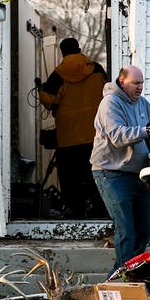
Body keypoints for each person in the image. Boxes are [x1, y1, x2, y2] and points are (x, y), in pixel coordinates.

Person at [90, 65, 150, 270]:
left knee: (144, 228)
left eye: (142, 83)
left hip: (140, 174)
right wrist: (148, 130)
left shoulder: (143, 104)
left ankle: (125, 274)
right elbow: (118, 136)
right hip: (111, 173)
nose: (140, 87)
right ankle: (123, 279)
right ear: (122, 81)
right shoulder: (110, 103)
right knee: (126, 229)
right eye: (136, 83)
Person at [39, 38, 108, 218]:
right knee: (95, 172)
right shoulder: (97, 69)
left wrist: (41, 89)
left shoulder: (59, 74)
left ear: (63, 52)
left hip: (68, 135)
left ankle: (75, 209)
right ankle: (98, 209)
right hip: (95, 133)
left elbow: (48, 99)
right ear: (79, 49)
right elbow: (109, 93)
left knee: (70, 176)